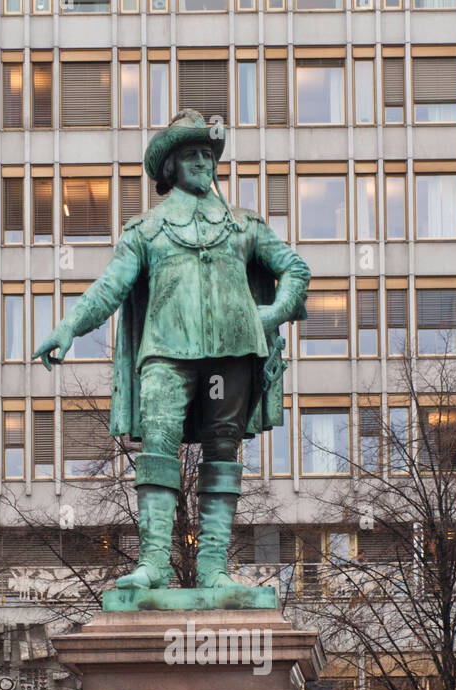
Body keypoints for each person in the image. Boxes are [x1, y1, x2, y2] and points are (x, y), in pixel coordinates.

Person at [33, 109, 310, 593]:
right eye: (192, 154)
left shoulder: (244, 225)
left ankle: (213, 571)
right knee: (158, 446)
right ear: (171, 168)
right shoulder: (146, 230)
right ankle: (155, 564)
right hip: (166, 355)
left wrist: (271, 314)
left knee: (224, 452)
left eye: (208, 153)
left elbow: (295, 269)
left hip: (230, 358)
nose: (203, 161)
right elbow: (109, 288)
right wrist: (68, 327)